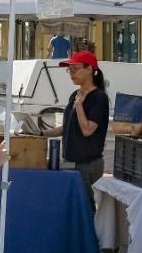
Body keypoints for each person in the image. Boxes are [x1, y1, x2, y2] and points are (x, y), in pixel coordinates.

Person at [41, 50, 110, 210]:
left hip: (87, 163)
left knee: (86, 209)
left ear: (89, 69)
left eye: (75, 68)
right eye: (69, 69)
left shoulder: (99, 98)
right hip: (71, 161)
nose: (71, 73)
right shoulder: (76, 94)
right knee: (72, 207)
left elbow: (87, 130)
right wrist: (40, 134)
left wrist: (79, 105)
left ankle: (90, 236)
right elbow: (68, 126)